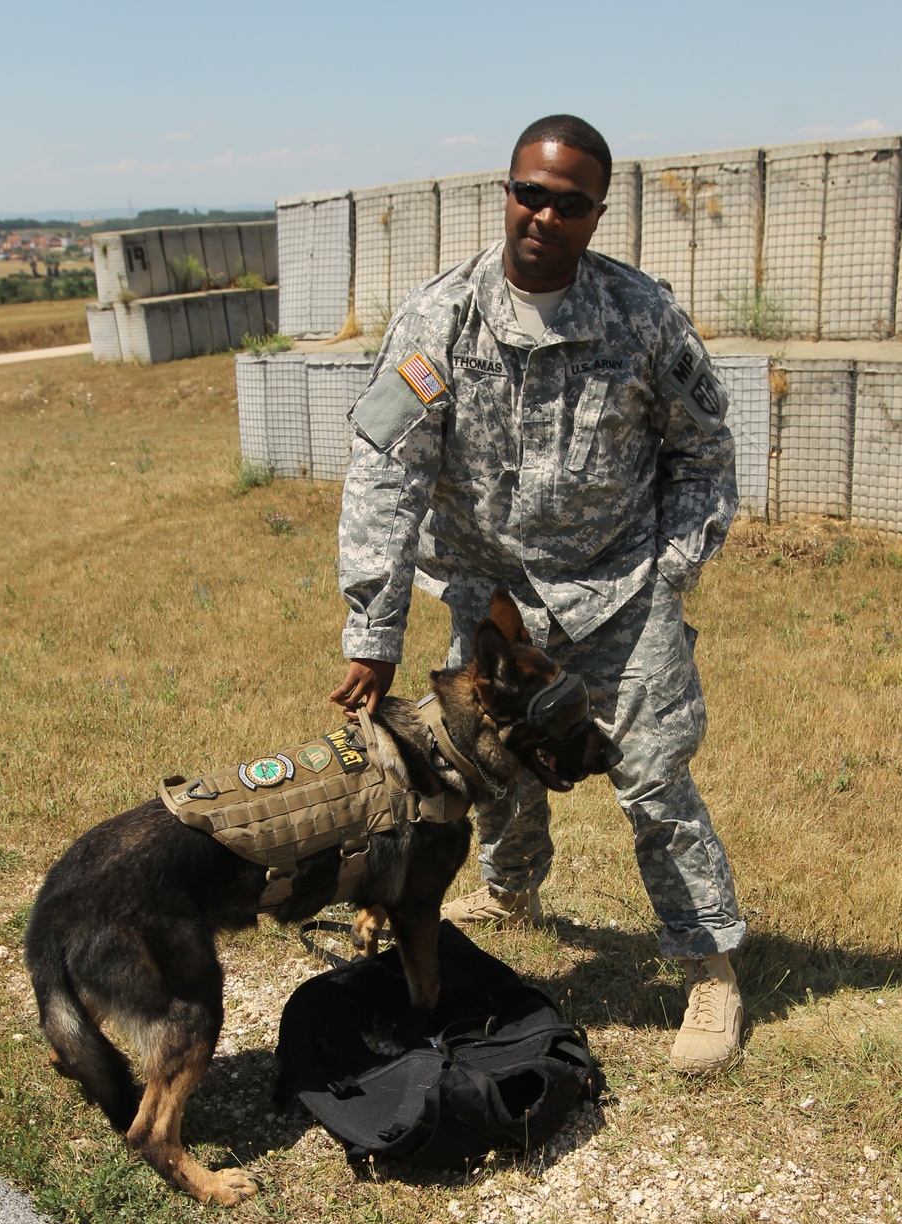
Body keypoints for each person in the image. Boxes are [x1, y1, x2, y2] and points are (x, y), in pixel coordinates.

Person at [330, 114, 745, 1074]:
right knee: (484, 762)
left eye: (569, 202)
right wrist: (374, 627)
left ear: (596, 214)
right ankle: (513, 889)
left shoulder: (642, 318)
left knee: (652, 777)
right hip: (494, 600)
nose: (543, 216)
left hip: (618, 594)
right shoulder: (438, 318)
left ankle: (710, 968)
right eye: (529, 193)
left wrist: (669, 570)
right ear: (505, 191)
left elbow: (706, 455)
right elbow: (385, 474)